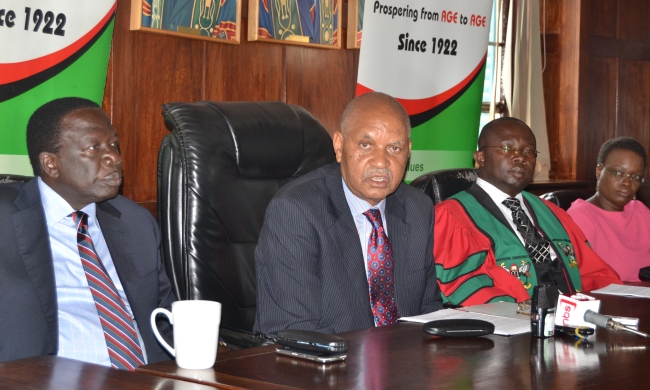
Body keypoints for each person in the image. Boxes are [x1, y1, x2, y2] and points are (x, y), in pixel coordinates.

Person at [0, 98, 175, 368]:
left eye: (114, 145)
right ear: (50, 164)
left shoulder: (134, 222)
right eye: (94, 148)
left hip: (146, 380)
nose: (114, 158)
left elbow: (165, 321)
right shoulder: (5, 221)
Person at [254, 92, 443, 335]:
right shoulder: (296, 210)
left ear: (408, 152)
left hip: (403, 365)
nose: (380, 162)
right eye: (366, 145)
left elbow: (427, 313)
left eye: (394, 148)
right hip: (326, 366)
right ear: (339, 146)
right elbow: (293, 332)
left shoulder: (418, 209)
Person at [434, 117, 621, 306]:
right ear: (480, 157)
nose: (521, 157)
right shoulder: (453, 216)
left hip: (569, 322)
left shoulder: (553, 214)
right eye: (507, 148)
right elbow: (465, 284)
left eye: (529, 151)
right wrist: (525, 314)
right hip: (510, 325)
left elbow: (594, 273)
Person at [567, 137, 650, 282]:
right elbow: (586, 281)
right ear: (599, 172)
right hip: (610, 302)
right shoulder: (580, 217)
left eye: (636, 177)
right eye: (618, 173)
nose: (627, 183)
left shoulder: (640, 211)